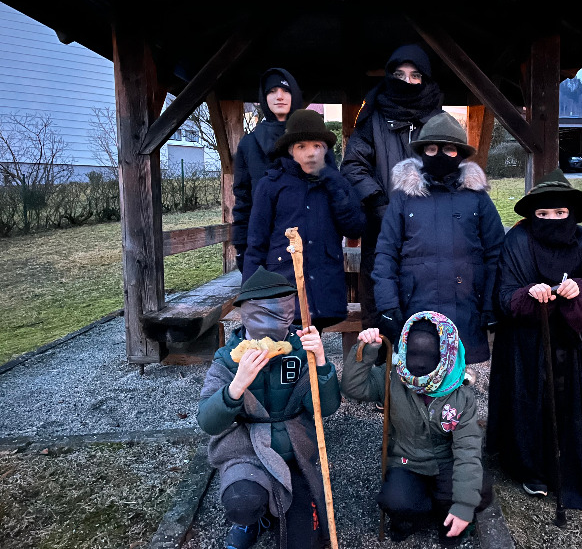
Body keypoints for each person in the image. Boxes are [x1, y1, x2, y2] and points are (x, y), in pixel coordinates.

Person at [486, 168, 582, 512]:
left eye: (559, 213)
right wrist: (530, 293)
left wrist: (578, 290)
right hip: (523, 343)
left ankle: (574, 463)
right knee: (525, 400)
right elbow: (505, 295)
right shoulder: (517, 241)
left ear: (571, 213)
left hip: (569, 343)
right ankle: (530, 467)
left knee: (574, 401)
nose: (550, 219)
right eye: (542, 214)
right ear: (531, 215)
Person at [197, 267, 341, 549]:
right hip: (247, 451)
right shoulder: (228, 359)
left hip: (294, 451)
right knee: (243, 502)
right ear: (244, 313)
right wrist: (236, 386)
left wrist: (322, 363)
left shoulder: (300, 350)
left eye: (281, 313)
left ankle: (286, 508)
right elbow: (208, 422)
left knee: (303, 542)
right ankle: (252, 519)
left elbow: (327, 408)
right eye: (263, 313)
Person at [341, 311, 492, 547]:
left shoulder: (461, 394)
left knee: (479, 490)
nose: (420, 363)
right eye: (413, 353)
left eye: (429, 354)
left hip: (446, 460)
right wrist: (367, 350)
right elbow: (353, 388)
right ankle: (414, 516)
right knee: (397, 500)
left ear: (446, 353)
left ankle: (449, 519)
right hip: (406, 460)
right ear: (404, 348)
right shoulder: (394, 377)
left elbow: (467, 450)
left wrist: (464, 506)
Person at [371, 112, 505, 364]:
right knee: (418, 371)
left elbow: (496, 252)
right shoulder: (403, 197)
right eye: (431, 149)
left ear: (461, 154)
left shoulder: (477, 198)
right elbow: (386, 253)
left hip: (465, 303)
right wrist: (387, 304)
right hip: (416, 304)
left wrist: (490, 303)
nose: (439, 155)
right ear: (422, 153)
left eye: (449, 149)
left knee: (458, 379)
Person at [340, 44, 444, 331]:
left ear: (425, 79)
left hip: (427, 234)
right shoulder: (372, 119)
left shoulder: (439, 122)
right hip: (382, 232)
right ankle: (379, 374)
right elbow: (352, 165)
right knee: (381, 315)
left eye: (415, 76)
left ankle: (426, 374)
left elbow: (449, 170)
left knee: (426, 319)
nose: (407, 82)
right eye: (399, 74)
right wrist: (379, 204)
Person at [243, 109, 365, 330]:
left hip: (323, 293)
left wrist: (334, 184)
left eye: (316, 146)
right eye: (302, 146)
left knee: (313, 358)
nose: (310, 153)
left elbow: (354, 228)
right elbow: (256, 244)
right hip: (282, 290)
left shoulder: (337, 183)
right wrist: (250, 300)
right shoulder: (271, 185)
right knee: (283, 357)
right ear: (290, 150)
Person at [232, 68, 303, 271]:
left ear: (295, 95)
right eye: (272, 91)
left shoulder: (311, 140)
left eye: (285, 90)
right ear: (264, 97)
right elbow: (243, 199)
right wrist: (241, 247)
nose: (279, 96)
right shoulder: (248, 144)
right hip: (264, 244)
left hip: (305, 243)